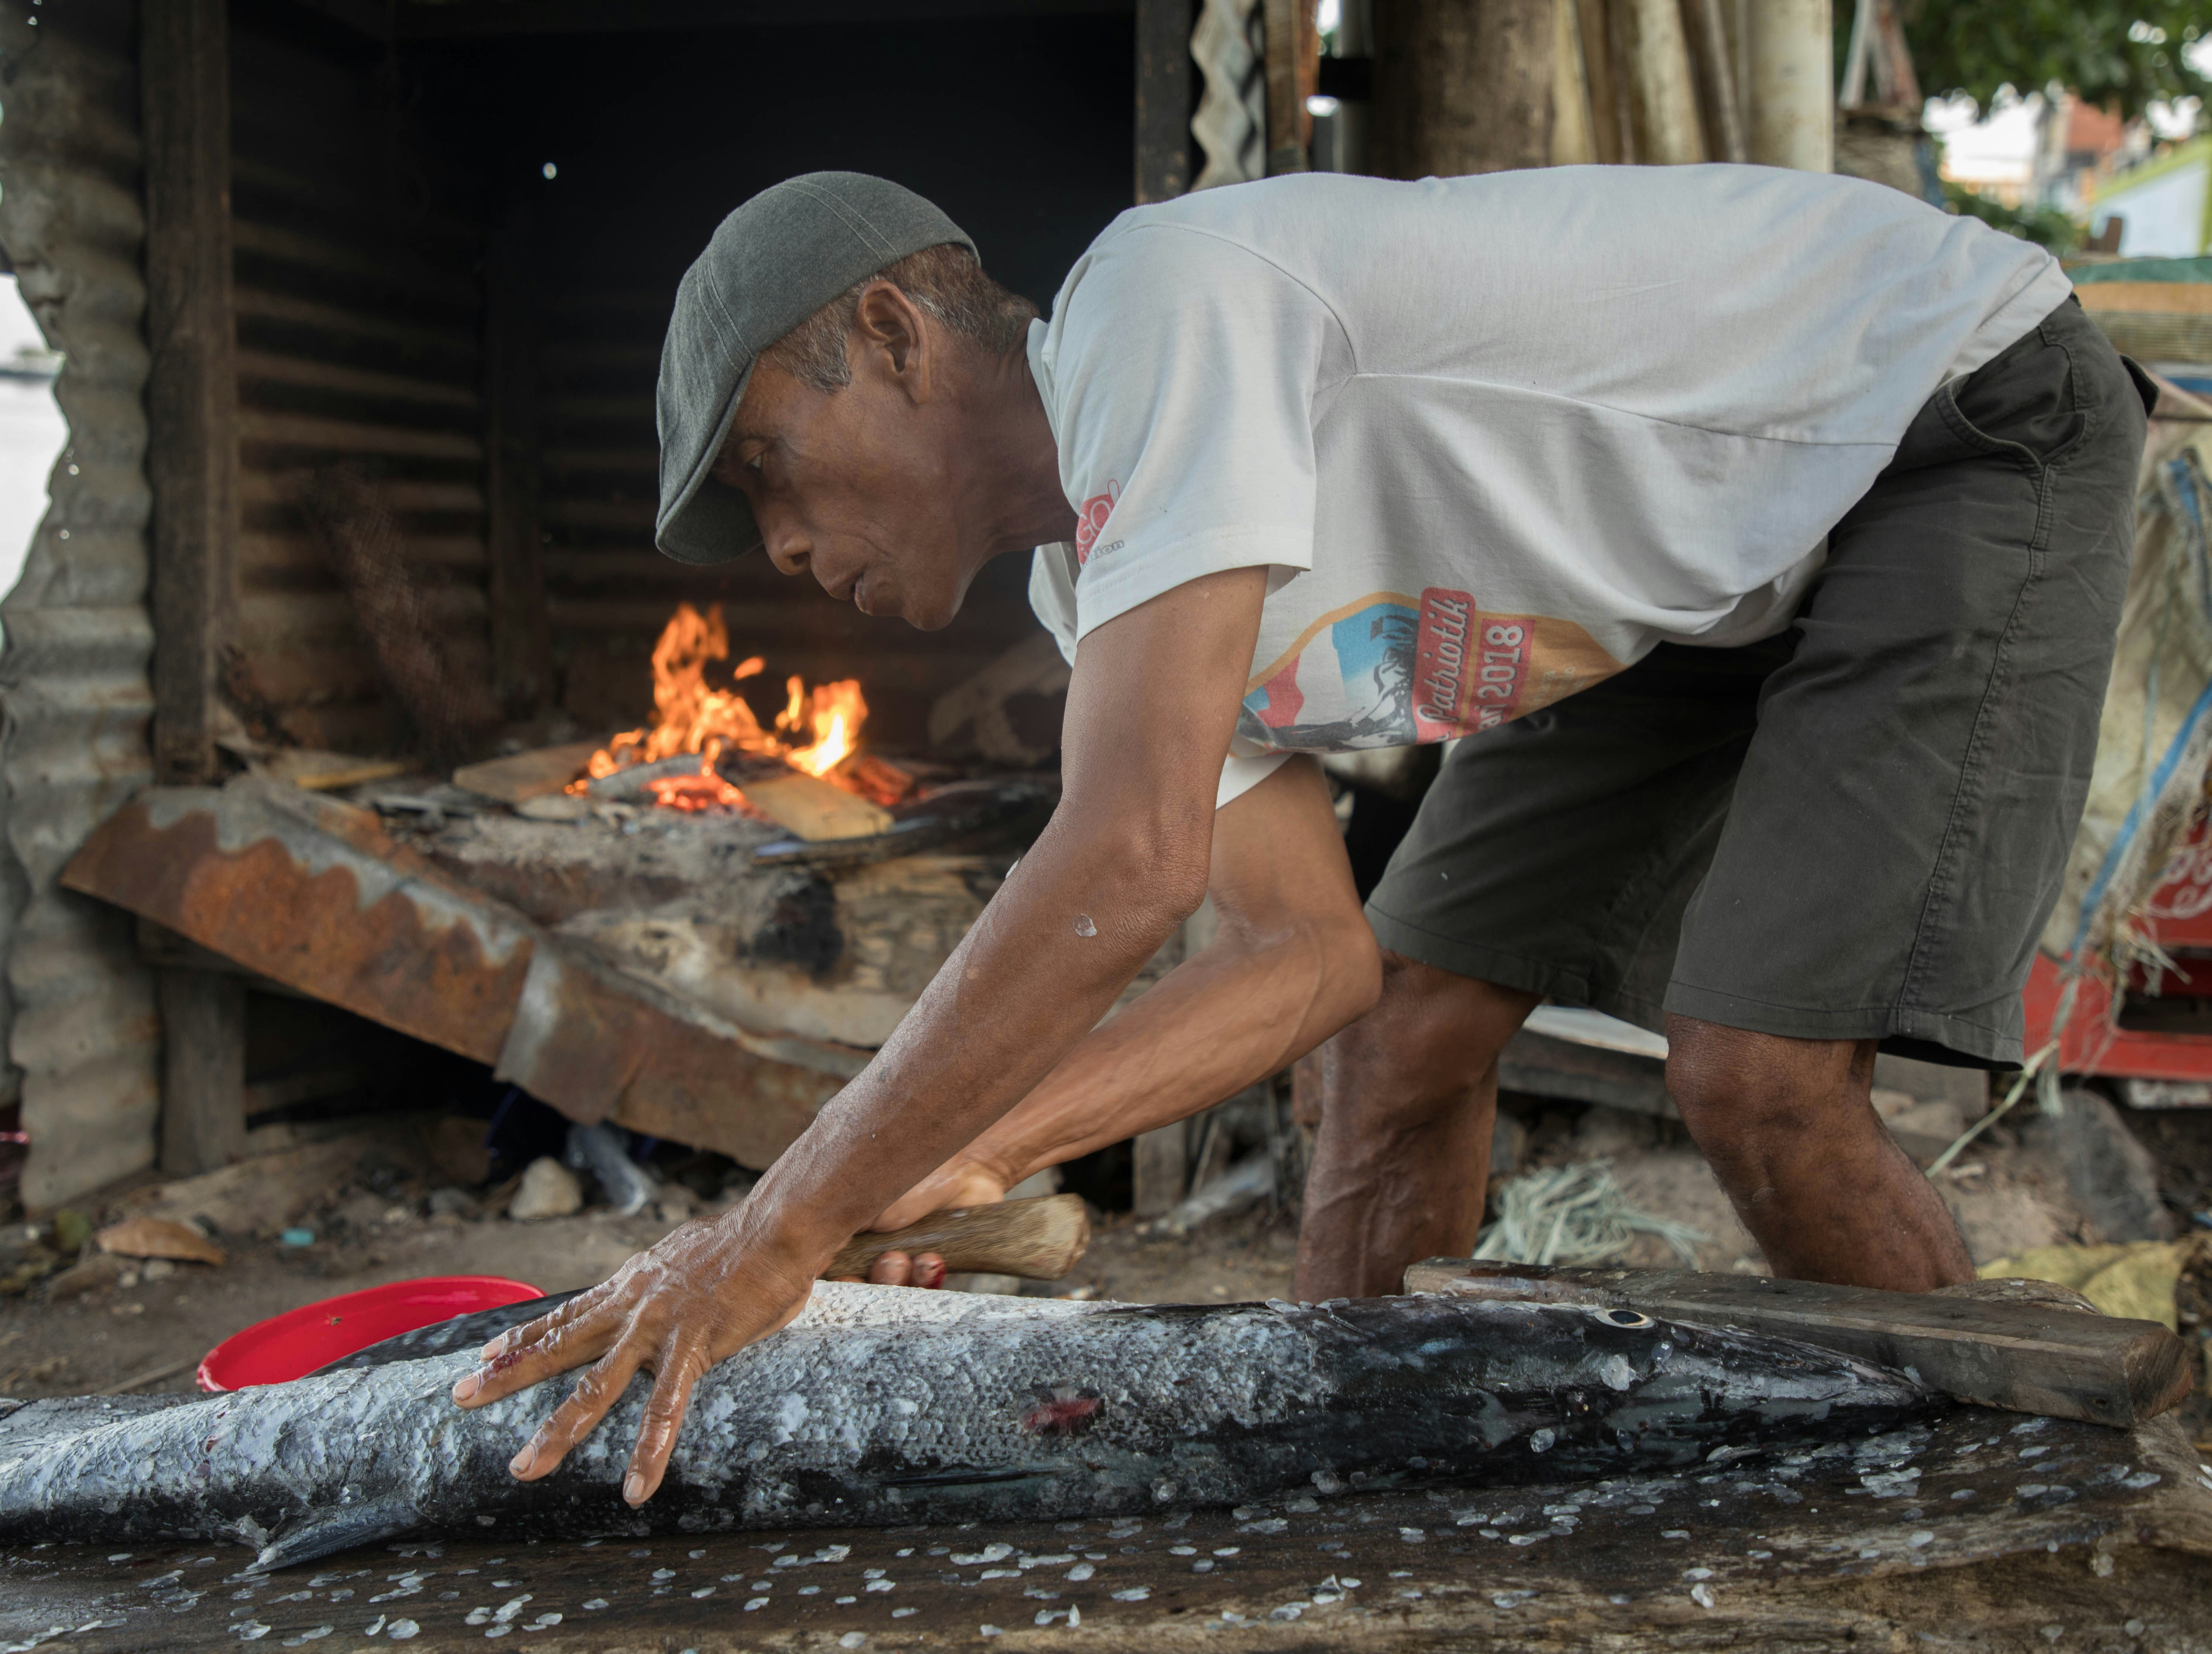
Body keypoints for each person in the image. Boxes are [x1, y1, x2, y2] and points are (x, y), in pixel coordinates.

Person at [450, 167, 2148, 1508]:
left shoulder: (1155, 307)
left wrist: (780, 1226)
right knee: (1403, 1030)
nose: (785, 542)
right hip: (1697, 589)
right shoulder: (1098, 589)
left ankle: (2044, 1507)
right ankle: (1365, 1501)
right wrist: (955, 1151)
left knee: (1752, 1070)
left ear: (896, 335)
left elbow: (1125, 872)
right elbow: (1300, 958)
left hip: (1940, 422)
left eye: (770, 465)